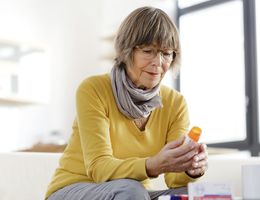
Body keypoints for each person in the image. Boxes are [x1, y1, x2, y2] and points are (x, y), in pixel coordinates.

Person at [46, 6, 208, 200]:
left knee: (192, 195)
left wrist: (191, 167)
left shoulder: (175, 103)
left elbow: (174, 180)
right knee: (131, 190)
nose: (158, 62)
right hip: (75, 189)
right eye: (148, 51)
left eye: (166, 53)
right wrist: (153, 164)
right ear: (126, 51)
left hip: (133, 194)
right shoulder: (93, 89)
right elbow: (99, 168)